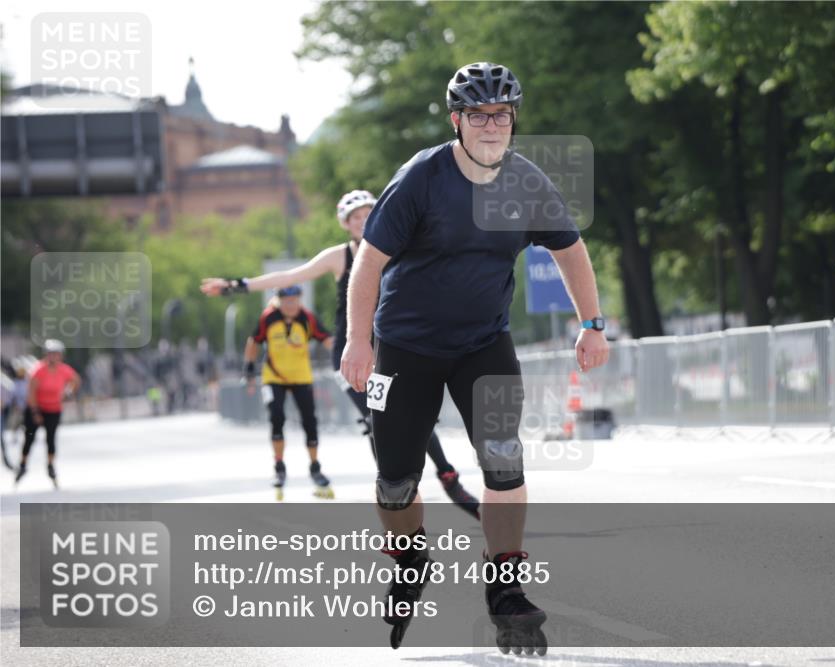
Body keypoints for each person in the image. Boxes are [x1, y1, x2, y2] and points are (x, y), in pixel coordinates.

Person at [338, 62, 610, 652]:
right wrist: (359, 341)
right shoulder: (421, 178)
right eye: (480, 115)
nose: (492, 126)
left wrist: (591, 325)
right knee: (395, 479)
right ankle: (410, 557)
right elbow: (369, 264)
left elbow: (571, 251)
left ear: (514, 121)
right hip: (406, 348)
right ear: (457, 120)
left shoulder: (526, 182)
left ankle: (505, 586)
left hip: (482, 343)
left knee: (504, 459)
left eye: (502, 115)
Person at [200, 190, 480, 517]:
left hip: (393, 349)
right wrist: (237, 285)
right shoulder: (339, 257)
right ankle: (395, 489)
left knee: (412, 417)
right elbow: (291, 276)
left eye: (367, 214)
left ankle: (448, 477)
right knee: (377, 418)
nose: (363, 221)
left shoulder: (398, 247)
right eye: (355, 217)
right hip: (352, 357)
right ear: (346, 224)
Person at [244, 286, 335, 499]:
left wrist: (345, 354)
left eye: (295, 300)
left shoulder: (307, 318)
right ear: (278, 301)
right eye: (286, 301)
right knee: (276, 417)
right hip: (273, 377)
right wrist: (248, 368)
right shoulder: (268, 318)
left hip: (301, 377)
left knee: (309, 421)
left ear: (300, 300)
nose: (291, 305)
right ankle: (279, 466)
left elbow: (327, 339)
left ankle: (315, 467)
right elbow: (253, 341)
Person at [15, 340, 81, 487]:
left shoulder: (64, 369)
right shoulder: (38, 370)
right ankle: (23, 464)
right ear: (47, 355)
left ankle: (50, 466)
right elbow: (31, 393)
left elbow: (75, 380)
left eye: (57, 354)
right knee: (29, 438)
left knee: (50, 439)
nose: (54, 357)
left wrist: (68, 392)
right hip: (36, 408)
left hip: (54, 409)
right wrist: (35, 412)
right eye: (51, 354)